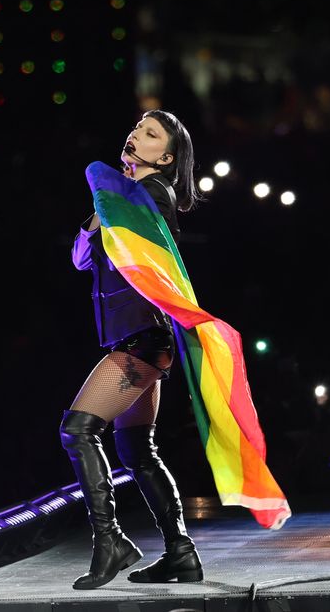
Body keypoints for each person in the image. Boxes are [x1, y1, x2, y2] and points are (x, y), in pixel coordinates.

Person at [62, 110, 204, 589]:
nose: (135, 134)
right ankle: (181, 554)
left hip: (142, 337)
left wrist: (116, 196)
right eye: (136, 127)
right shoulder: (121, 199)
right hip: (140, 338)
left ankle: (111, 540)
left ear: (163, 157)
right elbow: (81, 259)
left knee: (79, 429)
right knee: (135, 448)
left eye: (150, 134)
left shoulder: (153, 194)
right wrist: (103, 204)